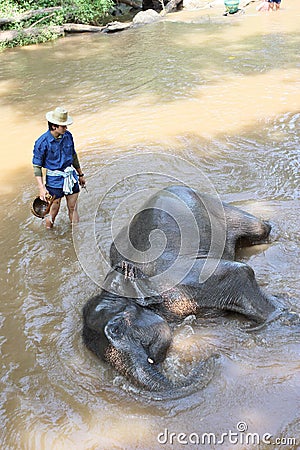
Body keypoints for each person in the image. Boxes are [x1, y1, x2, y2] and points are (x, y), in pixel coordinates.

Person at [32, 107, 86, 229]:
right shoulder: (42, 142)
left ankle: (75, 235)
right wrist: (41, 188)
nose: (66, 128)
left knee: (73, 207)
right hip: (54, 180)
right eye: (63, 126)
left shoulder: (68, 136)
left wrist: (80, 174)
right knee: (53, 210)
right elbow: (37, 166)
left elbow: (73, 155)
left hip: (70, 176)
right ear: (54, 126)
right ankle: (50, 237)